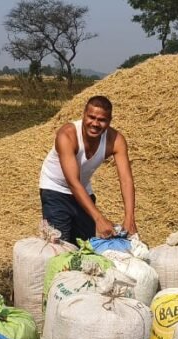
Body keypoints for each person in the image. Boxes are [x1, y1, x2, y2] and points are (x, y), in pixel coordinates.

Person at [38, 95, 137, 244]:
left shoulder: (116, 140)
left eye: (102, 120)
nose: (95, 124)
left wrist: (129, 218)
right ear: (84, 115)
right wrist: (98, 218)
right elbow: (72, 182)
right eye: (91, 117)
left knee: (84, 246)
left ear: (109, 121)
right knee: (59, 245)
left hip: (83, 189)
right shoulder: (67, 135)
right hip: (55, 188)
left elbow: (126, 180)